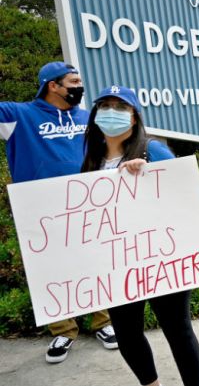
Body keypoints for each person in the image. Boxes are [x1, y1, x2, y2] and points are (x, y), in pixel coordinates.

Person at [81, 85, 199, 386]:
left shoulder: (152, 150)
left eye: (120, 107)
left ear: (134, 118)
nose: (112, 112)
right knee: (126, 332)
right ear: (95, 115)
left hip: (161, 256)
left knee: (177, 328)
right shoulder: (90, 159)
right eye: (105, 106)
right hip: (117, 262)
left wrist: (148, 174)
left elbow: (184, 193)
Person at [0, 61, 117, 363]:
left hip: (88, 203)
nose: (80, 87)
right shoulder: (18, 115)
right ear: (53, 85)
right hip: (41, 209)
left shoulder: (87, 117)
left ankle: (103, 322)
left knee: (96, 260)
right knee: (51, 269)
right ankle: (63, 330)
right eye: (74, 81)